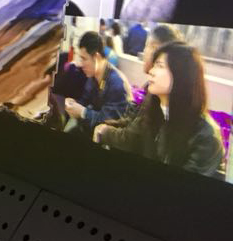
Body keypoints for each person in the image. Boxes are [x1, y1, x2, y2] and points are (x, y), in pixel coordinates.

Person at [94, 43, 224, 177]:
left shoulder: (205, 136)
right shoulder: (154, 112)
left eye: (160, 66)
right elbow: (131, 139)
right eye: (154, 65)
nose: (151, 71)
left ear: (181, 75)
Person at [64, 31, 131, 137]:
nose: (81, 64)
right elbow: (85, 100)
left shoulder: (117, 84)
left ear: (97, 57)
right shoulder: (93, 76)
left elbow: (109, 122)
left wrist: (83, 112)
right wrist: (73, 104)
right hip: (92, 130)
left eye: (84, 59)